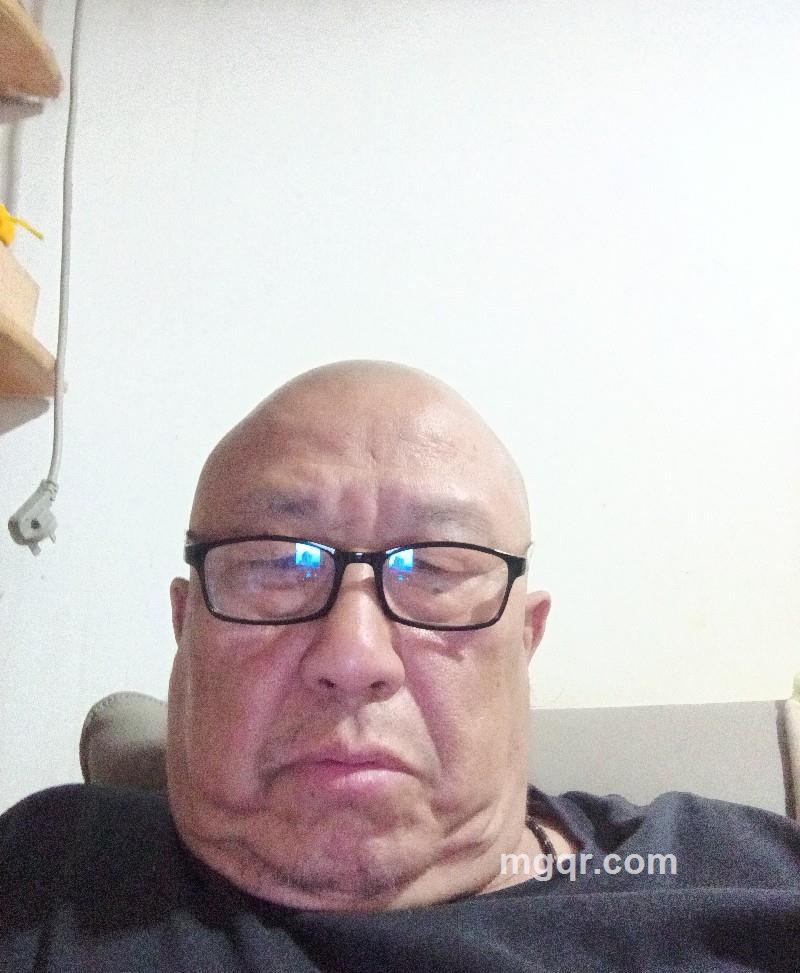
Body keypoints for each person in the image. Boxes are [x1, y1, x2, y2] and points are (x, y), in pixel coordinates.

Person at [1, 360, 799, 972]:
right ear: (186, 626)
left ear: (525, 639)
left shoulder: (746, 876)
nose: (354, 655)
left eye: (436, 568)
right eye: (279, 562)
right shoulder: (50, 872)